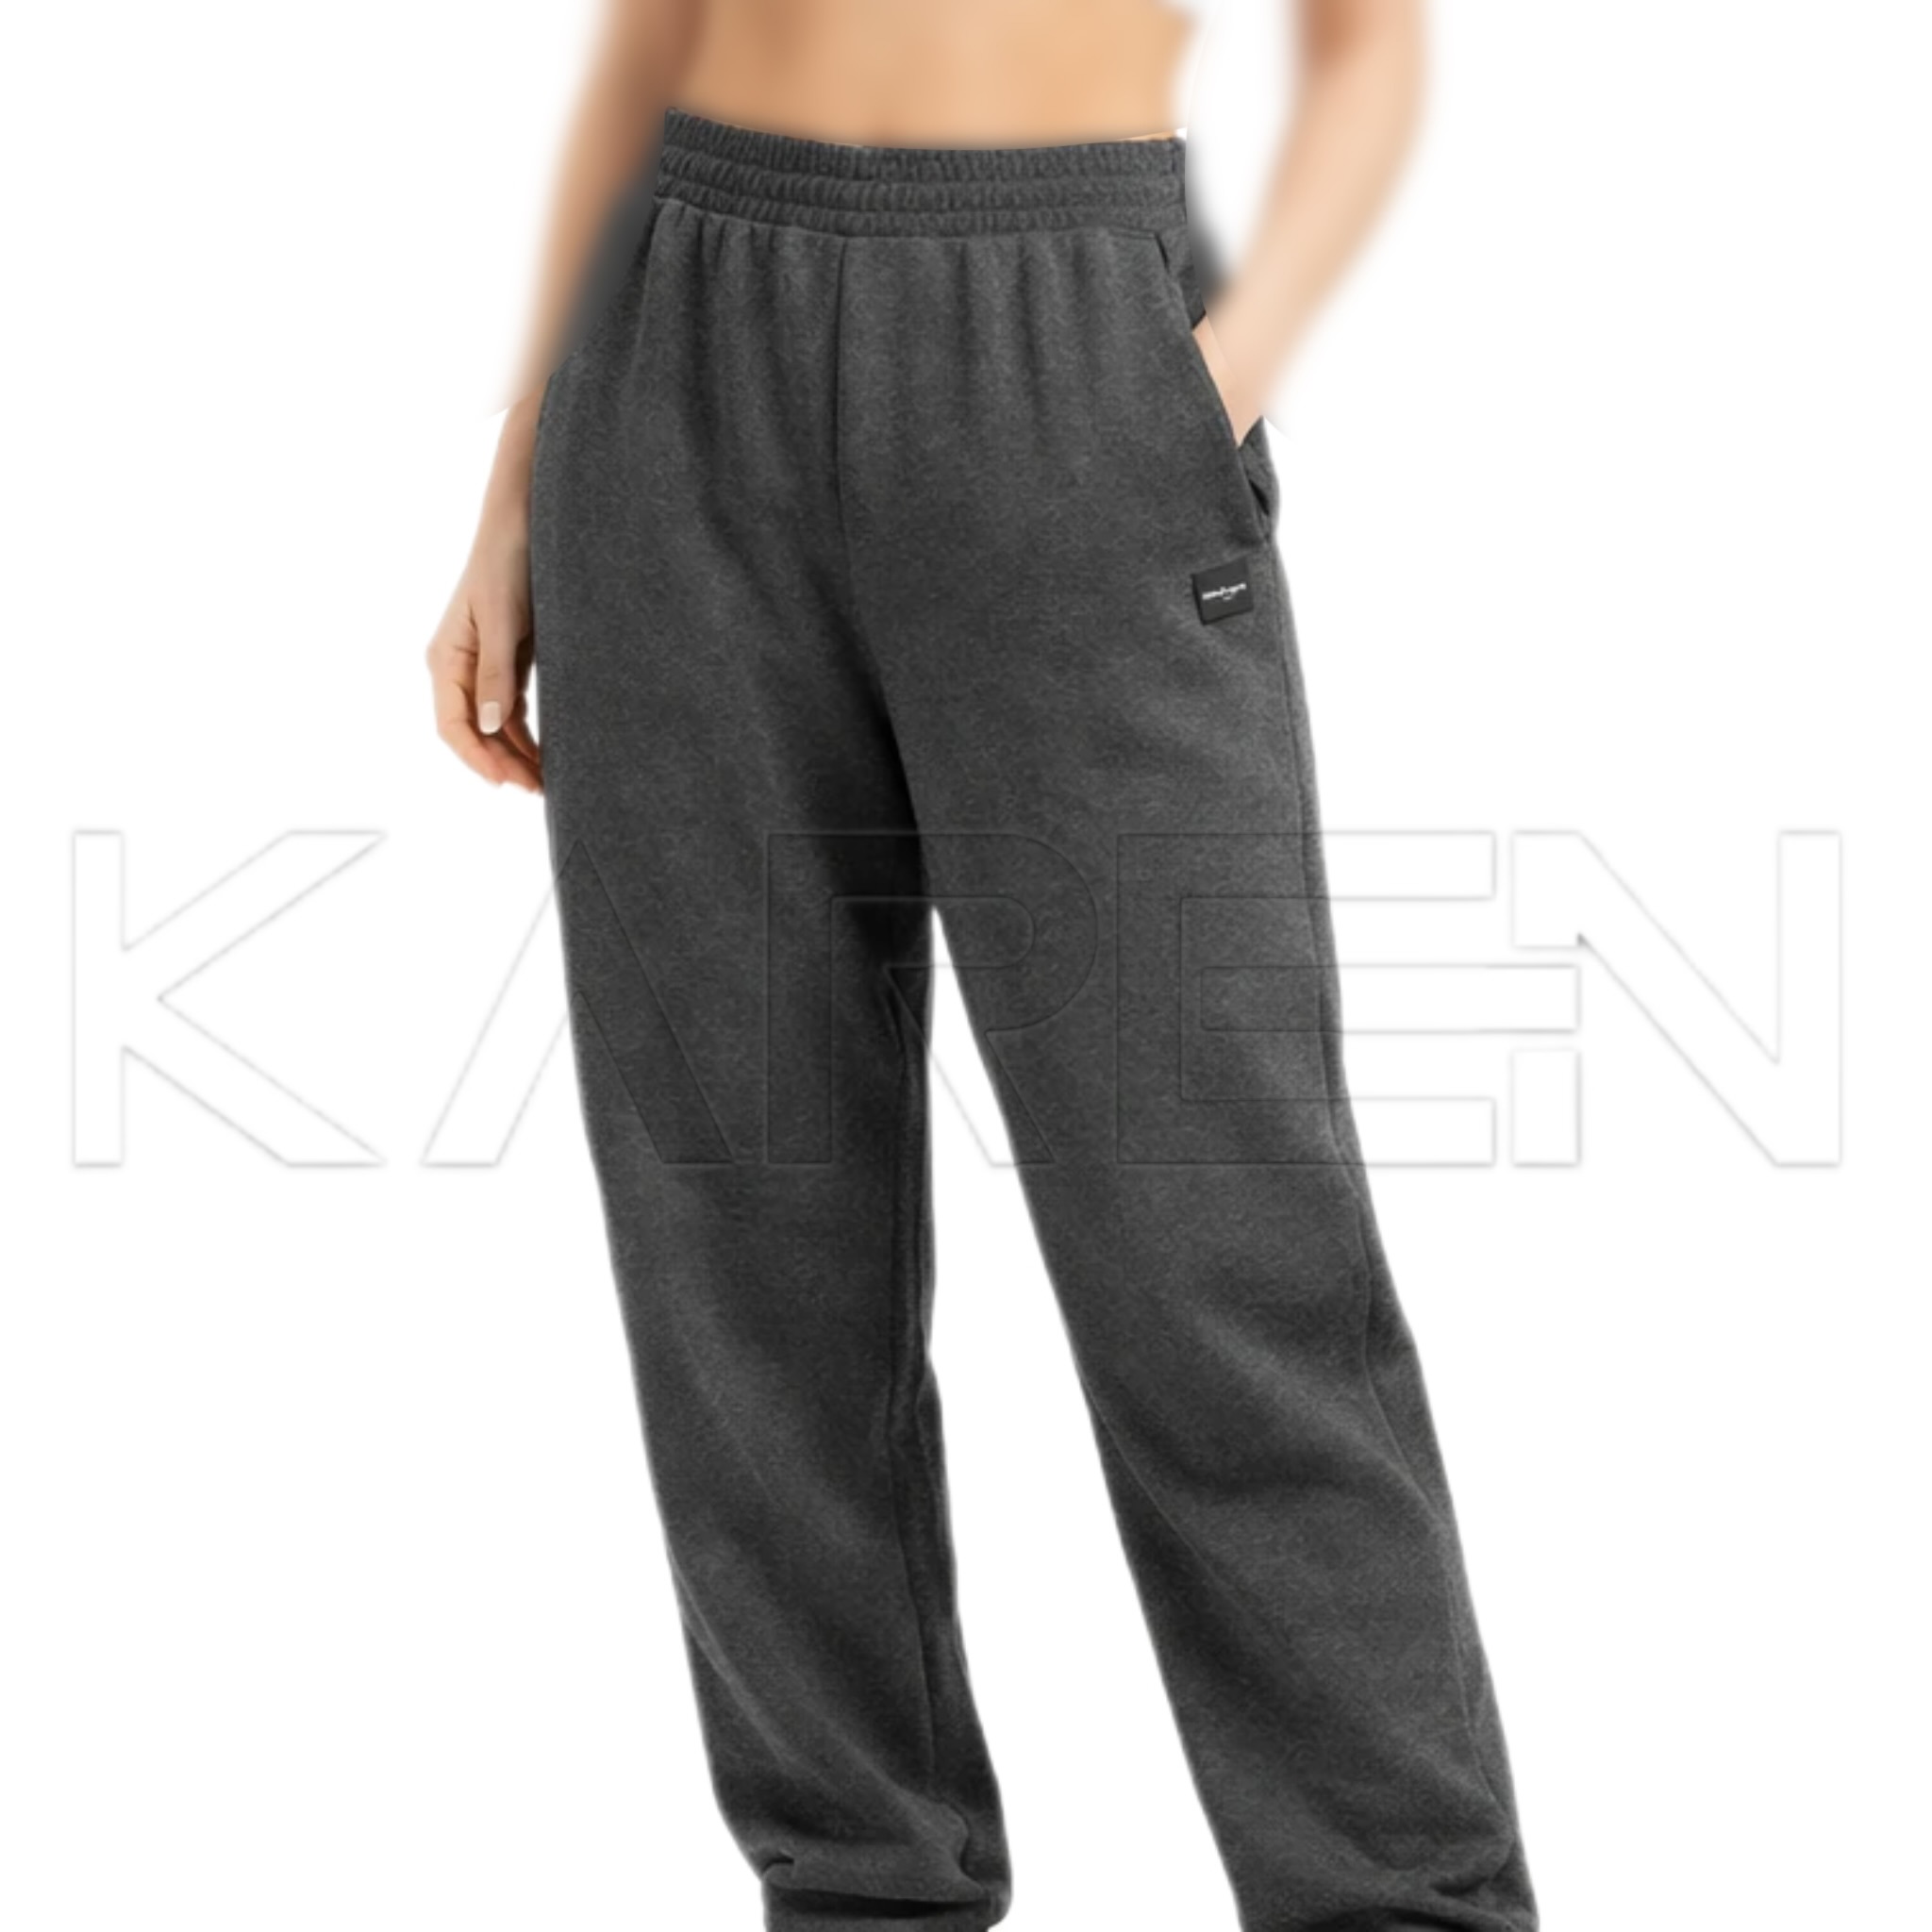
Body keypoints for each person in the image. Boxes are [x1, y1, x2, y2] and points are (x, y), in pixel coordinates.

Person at [425, 4, 1539, 1927]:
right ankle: (862, 1889)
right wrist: (522, 462)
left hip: (1067, 341)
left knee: (1215, 1238)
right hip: (671, 365)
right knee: (741, 1246)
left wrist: (1201, 389)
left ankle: (1401, 1902)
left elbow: (1364, 48)